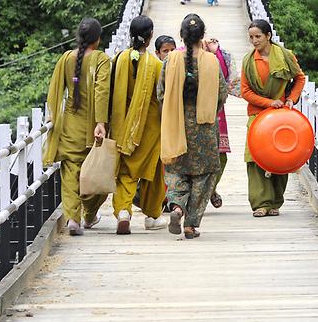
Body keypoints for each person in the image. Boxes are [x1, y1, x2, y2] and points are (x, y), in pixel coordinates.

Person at [158, 14, 228, 238]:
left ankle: (177, 206)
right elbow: (222, 94)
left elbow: (161, 92)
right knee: (204, 174)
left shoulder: (170, 60)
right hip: (204, 126)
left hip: (176, 123)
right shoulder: (211, 61)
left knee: (176, 169)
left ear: (181, 35)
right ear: (203, 35)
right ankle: (191, 224)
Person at [43, 18, 111, 235]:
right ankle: (89, 214)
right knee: (97, 173)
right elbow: (102, 92)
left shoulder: (66, 58)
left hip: (70, 124)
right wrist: (100, 122)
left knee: (71, 171)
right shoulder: (101, 59)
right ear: (98, 39)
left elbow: (55, 89)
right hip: (92, 125)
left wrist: (52, 115)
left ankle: (73, 219)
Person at [241, 19, 306, 217]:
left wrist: (291, 99)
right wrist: (269, 103)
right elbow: (245, 91)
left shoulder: (286, 57)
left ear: (268, 36)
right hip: (257, 113)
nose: (254, 41)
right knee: (254, 156)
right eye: (251, 37)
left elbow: (299, 78)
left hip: (281, 115)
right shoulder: (249, 61)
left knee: (279, 156)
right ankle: (261, 203)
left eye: (258, 36)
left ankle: (275, 201)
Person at [109, 16, 168, 235]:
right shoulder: (156, 65)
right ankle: (152, 216)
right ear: (151, 36)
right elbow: (161, 97)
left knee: (125, 171)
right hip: (150, 128)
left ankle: (124, 211)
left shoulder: (119, 59)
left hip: (123, 126)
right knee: (152, 172)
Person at [205, 37, 240, 208]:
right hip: (189, 114)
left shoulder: (217, 54)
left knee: (220, 156)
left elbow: (226, 80)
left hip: (215, 110)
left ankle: (209, 189)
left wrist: (216, 51)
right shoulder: (180, 55)